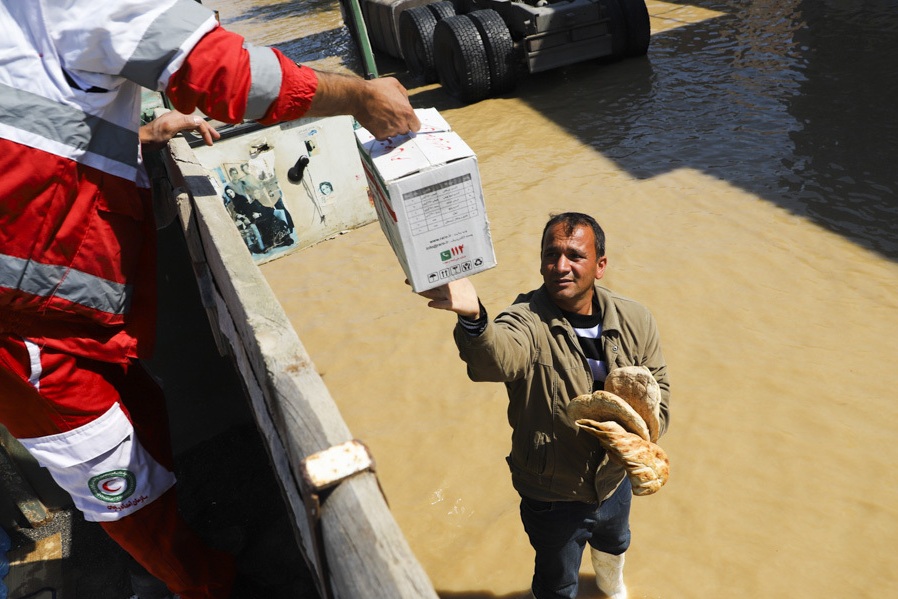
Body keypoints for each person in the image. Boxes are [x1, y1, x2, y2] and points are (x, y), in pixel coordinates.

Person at [0, 1, 420, 598]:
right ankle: (207, 586)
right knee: (112, 479)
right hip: (26, 331)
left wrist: (135, 134)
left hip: (65, 310)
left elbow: (31, 116)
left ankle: (183, 557)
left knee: (140, 420)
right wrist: (359, 96)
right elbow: (227, 75)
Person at [418, 212, 671, 599]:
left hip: (615, 478)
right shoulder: (526, 321)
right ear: (540, 262)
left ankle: (612, 589)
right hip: (551, 493)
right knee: (557, 583)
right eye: (551, 255)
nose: (560, 266)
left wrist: (641, 439)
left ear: (600, 265)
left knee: (615, 544)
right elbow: (496, 359)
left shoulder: (636, 319)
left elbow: (660, 391)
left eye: (575, 255)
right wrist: (474, 318)